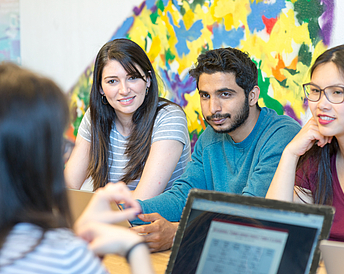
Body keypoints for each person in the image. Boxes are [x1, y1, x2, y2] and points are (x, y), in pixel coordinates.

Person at [130, 47, 301, 252]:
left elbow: (249, 212)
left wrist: (179, 233)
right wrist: (124, 213)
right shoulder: (210, 137)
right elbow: (182, 197)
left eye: (225, 94)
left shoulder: (281, 134)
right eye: (205, 96)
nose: (213, 109)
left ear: (253, 96)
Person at [0, 63, 153, 274]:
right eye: (57, 143)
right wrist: (135, 250)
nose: (124, 89)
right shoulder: (59, 254)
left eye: (132, 78)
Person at [64, 38, 191, 200]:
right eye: (112, 81)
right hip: (111, 219)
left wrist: (95, 206)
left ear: (148, 80)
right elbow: (68, 188)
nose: (124, 90)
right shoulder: (93, 118)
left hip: (158, 222)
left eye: (132, 77)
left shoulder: (169, 117)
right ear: (101, 88)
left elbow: (142, 201)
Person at [266, 44, 344, 244]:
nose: (321, 104)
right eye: (315, 91)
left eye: (337, 92)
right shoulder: (317, 161)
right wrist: (290, 154)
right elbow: (272, 232)